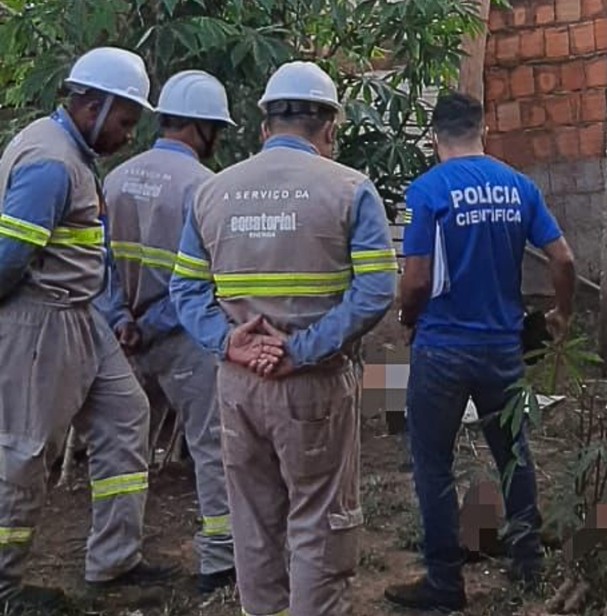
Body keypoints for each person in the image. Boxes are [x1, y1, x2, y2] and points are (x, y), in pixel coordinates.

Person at [170, 60, 398, 616]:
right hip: (312, 385)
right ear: (329, 127)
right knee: (319, 520)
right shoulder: (349, 189)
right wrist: (303, 350)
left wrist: (230, 343)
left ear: (264, 126)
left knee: (251, 519)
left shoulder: (212, 192)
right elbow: (376, 289)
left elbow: (185, 289)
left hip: (238, 384)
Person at [0, 47, 179, 613]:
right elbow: (8, 257)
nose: (128, 134)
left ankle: (114, 560)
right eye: (125, 121)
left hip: (80, 317)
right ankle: (5, 588)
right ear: (92, 106)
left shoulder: (72, 155)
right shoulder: (51, 164)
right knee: (25, 452)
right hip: (41, 319)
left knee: (127, 414)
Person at [384, 92, 576, 613]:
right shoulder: (519, 186)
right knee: (513, 453)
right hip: (502, 348)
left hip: (442, 349)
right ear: (483, 128)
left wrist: (406, 318)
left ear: (434, 136)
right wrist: (561, 314)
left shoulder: (428, 191)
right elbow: (563, 258)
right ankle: (528, 561)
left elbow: (417, 279)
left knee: (433, 465)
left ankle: (445, 586)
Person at [94, 69, 238, 594]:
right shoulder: (205, 188)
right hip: (182, 340)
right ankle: (219, 560)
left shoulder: (116, 177)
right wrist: (150, 325)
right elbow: (202, 280)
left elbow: (101, 262)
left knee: (122, 450)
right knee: (212, 444)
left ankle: (111, 556)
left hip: (124, 338)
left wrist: (121, 321)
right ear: (204, 128)